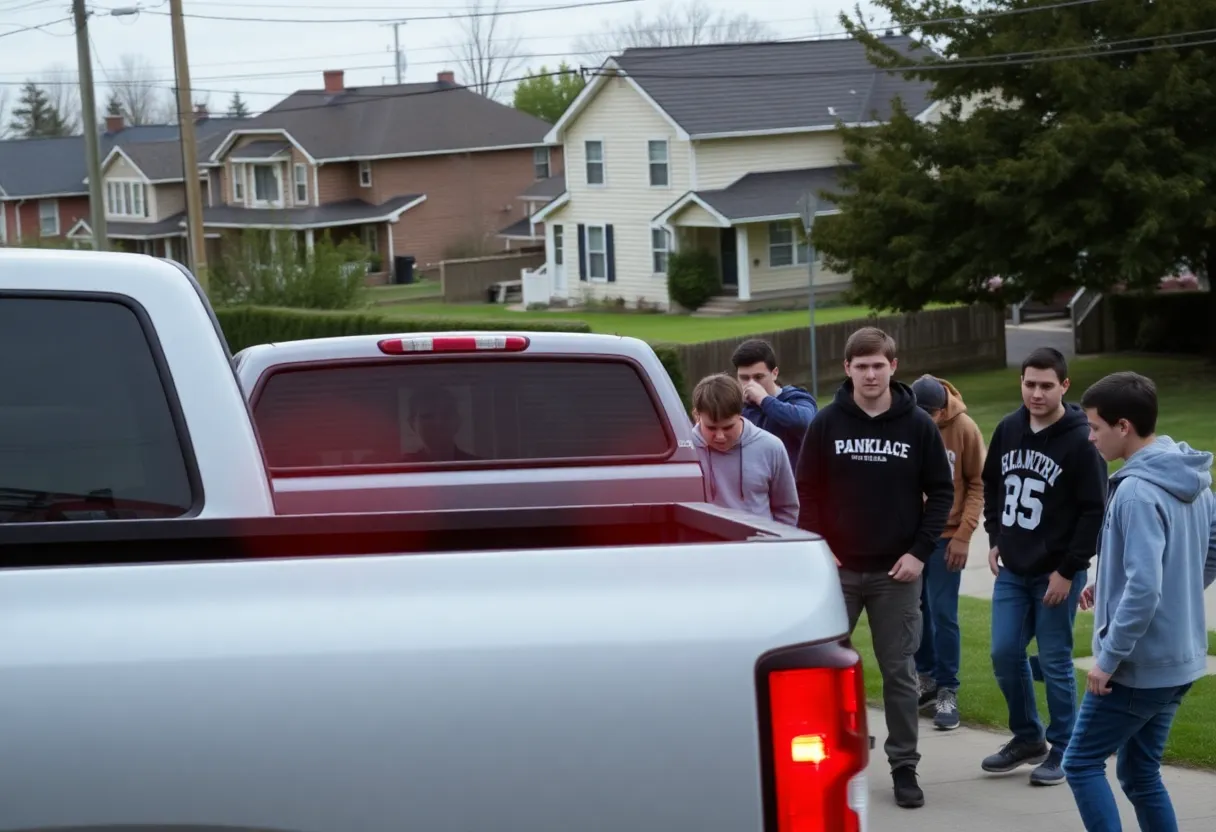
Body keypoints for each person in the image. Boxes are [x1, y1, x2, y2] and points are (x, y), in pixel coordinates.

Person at [794, 327, 954, 809]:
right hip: (837, 574)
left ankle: (904, 766)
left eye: (877, 365)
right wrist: (821, 545)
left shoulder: (918, 425)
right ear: (847, 369)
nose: (869, 373)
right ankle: (822, 761)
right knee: (818, 672)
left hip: (897, 574)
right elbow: (807, 490)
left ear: (892, 366)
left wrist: (919, 552)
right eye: (860, 366)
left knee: (900, 674)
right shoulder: (826, 423)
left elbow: (941, 493)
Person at [1062, 371, 1216, 830]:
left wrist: (1107, 660)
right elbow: (1208, 552)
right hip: (1180, 660)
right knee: (1139, 772)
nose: (1090, 438)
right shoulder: (1191, 475)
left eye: (1094, 427)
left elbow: (1146, 589)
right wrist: (1107, 585)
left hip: (1136, 668)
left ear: (1123, 426)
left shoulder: (1135, 490)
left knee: (1081, 764)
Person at [980, 347, 1107, 786]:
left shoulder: (1080, 439)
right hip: (1014, 568)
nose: (1036, 393)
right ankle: (1027, 737)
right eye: (1029, 383)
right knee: (1004, 653)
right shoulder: (1008, 428)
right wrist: (995, 536)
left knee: (1054, 660)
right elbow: (991, 483)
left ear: (1064, 387)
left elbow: (1094, 511)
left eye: (1046, 385)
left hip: (1057, 572)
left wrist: (1070, 570)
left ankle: (1064, 745)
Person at [909, 374, 986, 732]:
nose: (925, 420)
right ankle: (924, 679)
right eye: (918, 412)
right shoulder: (903, 422)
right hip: (910, 536)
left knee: (943, 613)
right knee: (914, 610)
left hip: (947, 536)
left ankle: (948, 690)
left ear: (943, 409)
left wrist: (964, 535)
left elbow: (977, 483)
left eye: (931, 414)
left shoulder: (964, 428)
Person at [690, 373, 798, 525]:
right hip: (707, 546)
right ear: (696, 415)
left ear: (741, 413)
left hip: (759, 545)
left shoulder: (770, 447)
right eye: (711, 428)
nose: (720, 436)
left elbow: (787, 509)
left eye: (728, 427)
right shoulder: (686, 450)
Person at [731, 338, 818, 469]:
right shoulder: (737, 407)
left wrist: (764, 400)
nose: (751, 384)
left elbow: (805, 421)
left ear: (774, 373)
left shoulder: (795, 398)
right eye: (744, 378)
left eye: (758, 377)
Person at [403, 388, 479, 462]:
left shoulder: (480, 469)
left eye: (446, 414)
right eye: (427, 416)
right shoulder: (400, 471)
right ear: (412, 423)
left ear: (458, 421)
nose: (438, 422)